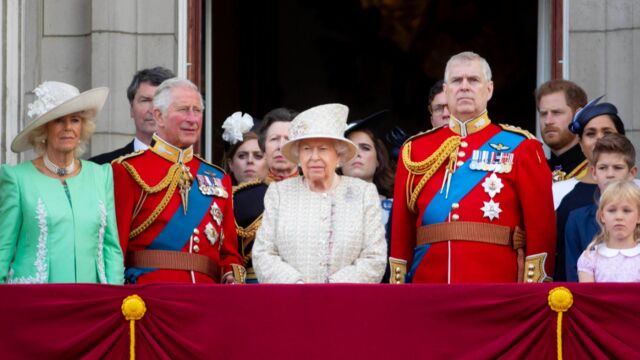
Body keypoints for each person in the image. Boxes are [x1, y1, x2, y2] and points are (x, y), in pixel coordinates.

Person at [390, 51, 556, 284]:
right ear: (446, 91)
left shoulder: (522, 147)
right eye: (457, 81)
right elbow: (402, 230)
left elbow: (541, 230)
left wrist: (533, 289)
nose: (465, 87)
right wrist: (399, 287)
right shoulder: (415, 150)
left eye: (473, 80)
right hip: (427, 285)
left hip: (495, 286)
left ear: (489, 90)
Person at [112, 78, 244, 284]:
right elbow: (115, 248)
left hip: (205, 298)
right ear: (159, 116)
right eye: (183, 110)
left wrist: (230, 274)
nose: (192, 119)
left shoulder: (219, 178)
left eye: (197, 111)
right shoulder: (127, 170)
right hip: (149, 297)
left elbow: (229, 254)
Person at [0, 81, 124, 284]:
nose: (68, 128)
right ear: (43, 129)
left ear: (83, 126)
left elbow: (111, 248)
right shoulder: (17, 178)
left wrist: (115, 297)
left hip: (91, 299)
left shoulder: (101, 175)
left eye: (75, 120)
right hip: (37, 302)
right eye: (58, 120)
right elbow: (3, 248)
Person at [252, 103, 387, 283]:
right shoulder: (279, 193)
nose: (314, 157)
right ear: (299, 156)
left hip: (346, 304)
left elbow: (374, 258)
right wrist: (297, 286)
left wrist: (332, 288)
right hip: (291, 302)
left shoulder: (363, 193)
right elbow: (263, 253)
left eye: (323, 149)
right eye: (307, 149)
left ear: (338, 156)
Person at [552, 95, 626, 281]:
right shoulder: (558, 192)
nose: (599, 140)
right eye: (591, 133)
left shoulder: (638, 191)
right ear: (580, 143)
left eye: (607, 132)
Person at [565, 133, 638, 281]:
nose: (610, 174)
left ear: (632, 173)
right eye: (603, 168)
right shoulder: (577, 220)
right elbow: (573, 279)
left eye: (618, 167)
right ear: (593, 172)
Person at [342, 110, 395, 282]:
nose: (357, 154)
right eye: (350, 149)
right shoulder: (321, 204)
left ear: (378, 159)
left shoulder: (395, 208)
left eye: (365, 148)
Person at [90, 66, 175, 164]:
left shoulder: (193, 170)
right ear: (131, 109)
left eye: (160, 101)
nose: (152, 110)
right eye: (145, 100)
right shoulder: (102, 166)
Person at [577, 180, 640, 283]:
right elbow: (588, 297)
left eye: (626, 210)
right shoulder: (589, 259)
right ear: (602, 216)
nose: (619, 217)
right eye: (612, 210)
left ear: (638, 217)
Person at [535, 80, 588, 181]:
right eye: (543, 114)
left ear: (579, 115)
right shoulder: (535, 171)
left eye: (556, 112)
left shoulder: (597, 171)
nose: (548, 121)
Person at [221, 111, 268, 185]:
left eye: (258, 156)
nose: (250, 161)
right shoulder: (216, 196)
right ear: (231, 164)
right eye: (242, 156)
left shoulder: (282, 195)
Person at [258, 107, 299, 182]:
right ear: (264, 151)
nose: (281, 146)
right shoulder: (249, 192)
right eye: (274, 139)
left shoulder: (316, 192)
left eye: (288, 139)